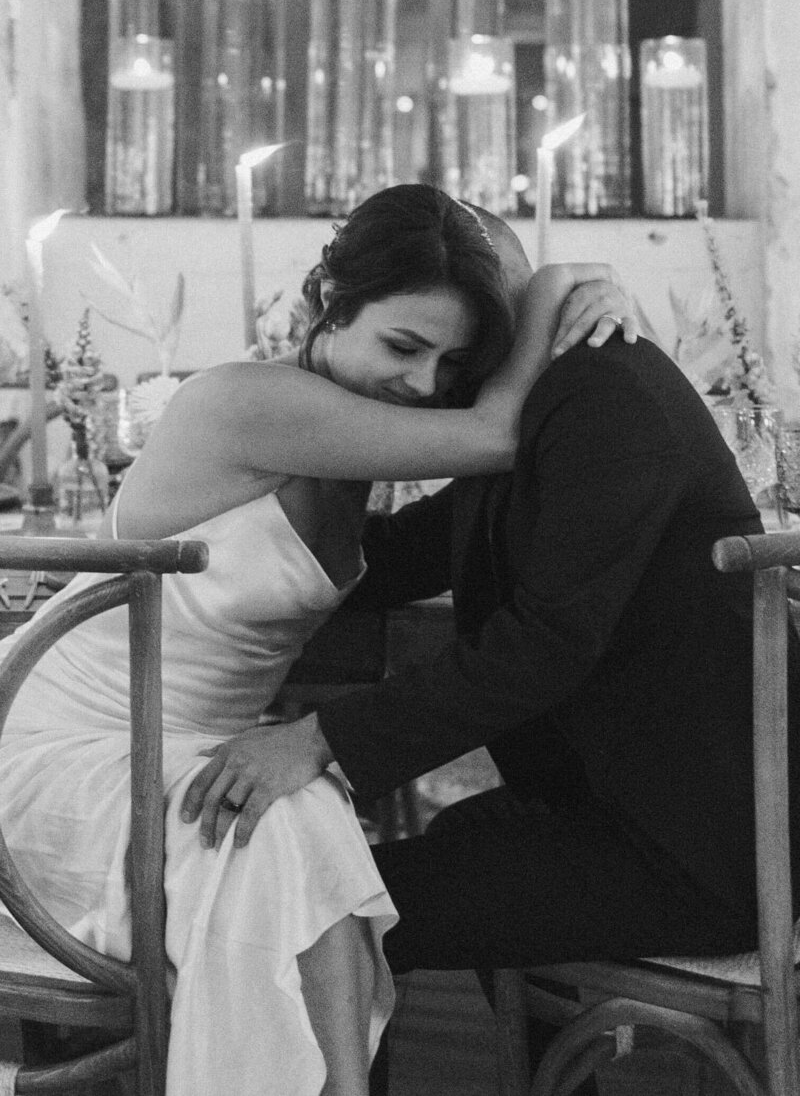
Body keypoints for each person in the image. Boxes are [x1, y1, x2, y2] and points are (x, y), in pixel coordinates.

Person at [0, 185, 633, 1096]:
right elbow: (497, 433)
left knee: (295, 810)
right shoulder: (249, 403)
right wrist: (562, 285)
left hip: (179, 750)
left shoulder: (347, 453)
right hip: (67, 752)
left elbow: (444, 516)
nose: (422, 383)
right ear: (321, 307)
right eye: (402, 346)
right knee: (291, 812)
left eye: (450, 360)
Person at [182, 198, 800, 1092]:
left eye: (470, 343)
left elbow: (544, 644)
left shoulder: (604, 393)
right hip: (609, 806)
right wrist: (239, 543)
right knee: (384, 858)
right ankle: (556, 1074)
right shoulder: (545, 398)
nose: (444, 378)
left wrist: (314, 742)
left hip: (701, 847)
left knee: (329, 907)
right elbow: (412, 550)